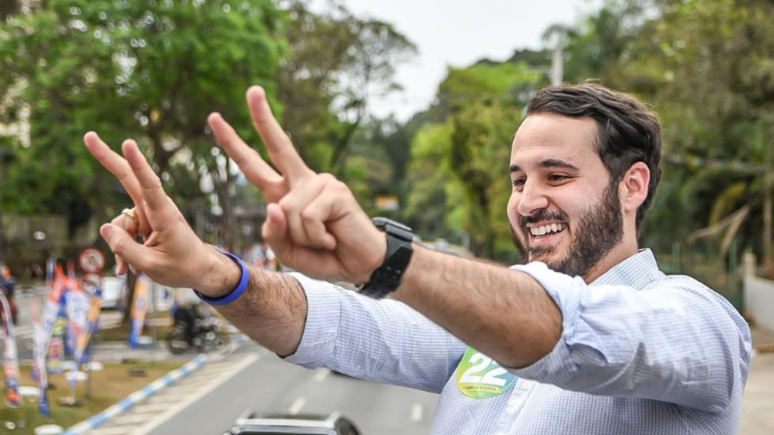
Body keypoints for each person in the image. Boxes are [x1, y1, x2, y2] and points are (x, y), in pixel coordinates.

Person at [84, 83, 750, 434]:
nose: (529, 200)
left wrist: (389, 259)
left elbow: (580, 335)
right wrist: (214, 272)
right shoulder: (482, 327)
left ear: (632, 185)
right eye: (519, 180)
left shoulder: (698, 324)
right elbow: (340, 326)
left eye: (556, 175)